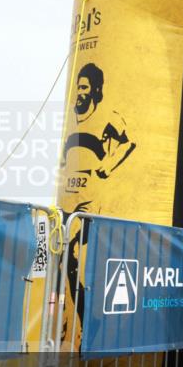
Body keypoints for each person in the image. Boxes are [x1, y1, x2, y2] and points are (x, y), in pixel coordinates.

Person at [58, 62, 136, 340]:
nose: (79, 92)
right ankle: (73, 319)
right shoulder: (71, 119)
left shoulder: (107, 116)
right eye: (77, 87)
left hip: (89, 202)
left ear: (94, 90)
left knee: (71, 254)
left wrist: (108, 165)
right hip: (68, 198)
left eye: (84, 87)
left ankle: (85, 323)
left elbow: (127, 143)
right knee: (62, 260)